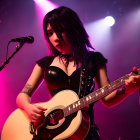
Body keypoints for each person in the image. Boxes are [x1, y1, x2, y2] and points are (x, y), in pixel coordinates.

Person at [16, 6, 140, 140]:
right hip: (50, 134)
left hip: (83, 132)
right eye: (50, 33)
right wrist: (28, 108)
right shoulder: (45, 63)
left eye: (60, 30)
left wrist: (127, 90)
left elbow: (107, 99)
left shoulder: (94, 60)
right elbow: (22, 95)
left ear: (73, 29)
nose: (55, 38)